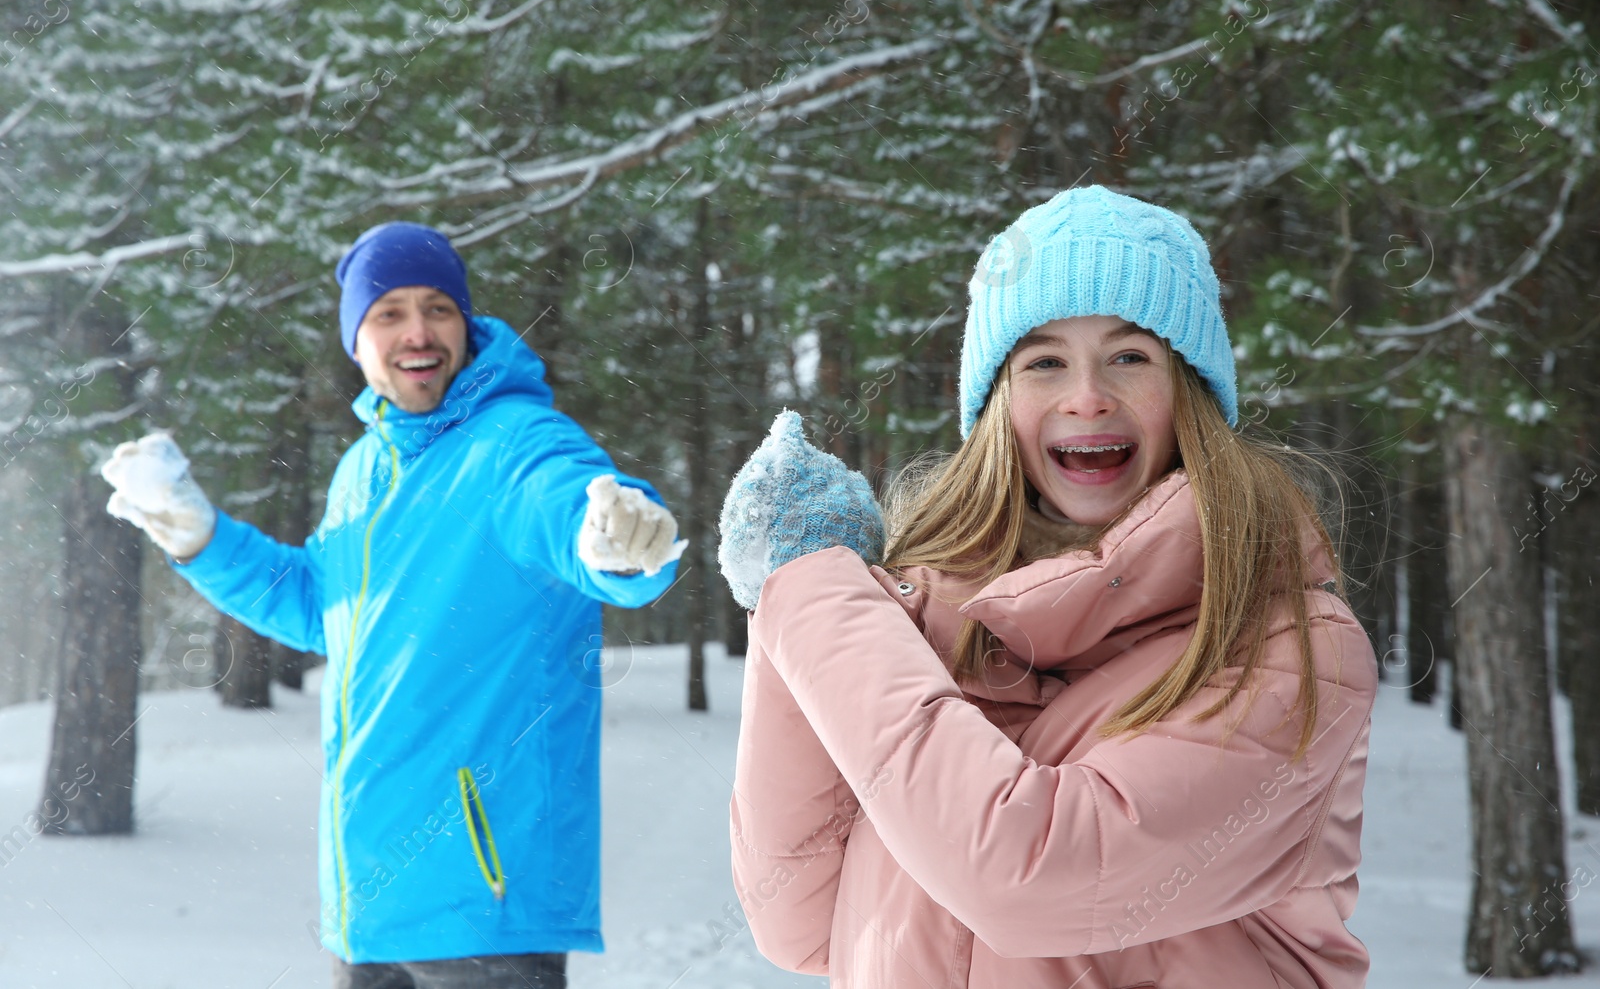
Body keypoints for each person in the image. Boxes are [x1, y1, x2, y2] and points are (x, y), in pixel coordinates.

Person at [718, 185, 1377, 987]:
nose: (1087, 394)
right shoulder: (927, 619)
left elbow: (1028, 877)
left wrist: (818, 599)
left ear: (1192, 395)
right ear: (998, 403)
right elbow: (799, 917)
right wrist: (805, 580)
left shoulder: (1293, 648)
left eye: (1131, 356)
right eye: (1044, 362)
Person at [100, 222, 686, 989]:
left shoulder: (514, 441)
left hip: (484, 901)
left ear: (467, 324)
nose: (418, 331)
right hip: (368, 905)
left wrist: (619, 544)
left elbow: (575, 509)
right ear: (356, 340)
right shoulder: (364, 468)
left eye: (439, 307)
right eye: (389, 312)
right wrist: (197, 536)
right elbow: (320, 605)